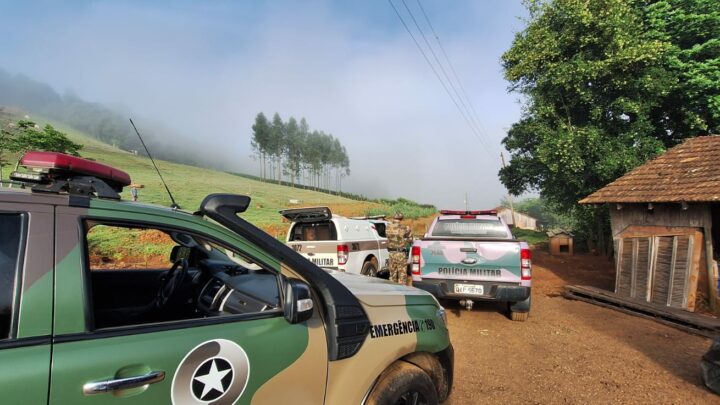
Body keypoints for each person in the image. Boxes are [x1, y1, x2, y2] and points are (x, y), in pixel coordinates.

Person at [386, 213, 412, 285]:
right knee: (402, 275)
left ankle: (392, 292)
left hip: (391, 253)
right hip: (400, 253)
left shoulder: (388, 227)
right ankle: (401, 292)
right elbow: (410, 240)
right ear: (401, 219)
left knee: (392, 275)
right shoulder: (404, 228)